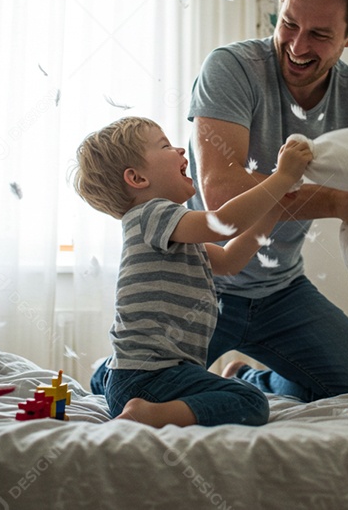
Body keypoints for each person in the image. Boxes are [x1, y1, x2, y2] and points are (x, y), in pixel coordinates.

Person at [186, 0, 348, 402]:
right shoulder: (231, 68)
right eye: (289, 24)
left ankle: (251, 379)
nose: (297, 46)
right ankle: (109, 371)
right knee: (144, 392)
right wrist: (335, 202)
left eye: (319, 34)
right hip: (196, 283)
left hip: (281, 290)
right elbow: (222, 193)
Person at [74, 116, 313, 427]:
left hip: (147, 375)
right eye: (165, 146)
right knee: (251, 402)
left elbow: (230, 260)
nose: (180, 151)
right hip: (149, 377)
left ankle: (109, 383)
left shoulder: (170, 233)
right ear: (137, 178)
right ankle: (149, 414)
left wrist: (274, 208)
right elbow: (224, 223)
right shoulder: (151, 214)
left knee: (235, 396)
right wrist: (281, 178)